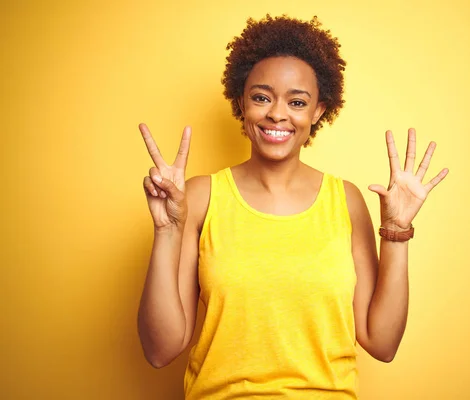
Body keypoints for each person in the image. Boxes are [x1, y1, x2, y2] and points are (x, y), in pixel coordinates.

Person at [137, 14, 448, 399]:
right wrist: (166, 231)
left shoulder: (346, 201)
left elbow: (382, 344)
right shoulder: (201, 197)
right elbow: (160, 350)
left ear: (318, 111)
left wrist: (397, 234)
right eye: (262, 97)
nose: (277, 114)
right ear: (242, 103)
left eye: (296, 101)